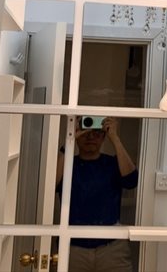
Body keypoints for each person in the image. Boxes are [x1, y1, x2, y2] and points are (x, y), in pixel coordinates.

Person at [56, 117, 138, 272]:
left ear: (103, 136)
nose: (90, 137)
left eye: (97, 132)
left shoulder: (112, 164)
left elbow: (131, 180)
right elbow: (51, 184)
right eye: (86, 132)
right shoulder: (67, 165)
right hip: (73, 246)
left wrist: (115, 138)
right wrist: (70, 139)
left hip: (112, 248)